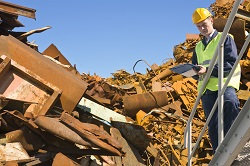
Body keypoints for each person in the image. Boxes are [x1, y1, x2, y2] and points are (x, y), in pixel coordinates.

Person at [191, 8, 241, 152]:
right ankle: (219, 153)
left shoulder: (225, 38)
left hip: (224, 84)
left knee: (230, 103)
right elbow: (196, 68)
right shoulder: (198, 47)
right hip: (206, 89)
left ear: (211, 20)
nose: (202, 28)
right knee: (213, 124)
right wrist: (192, 72)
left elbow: (230, 64)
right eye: (198, 26)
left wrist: (207, 70)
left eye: (204, 24)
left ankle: (233, 147)